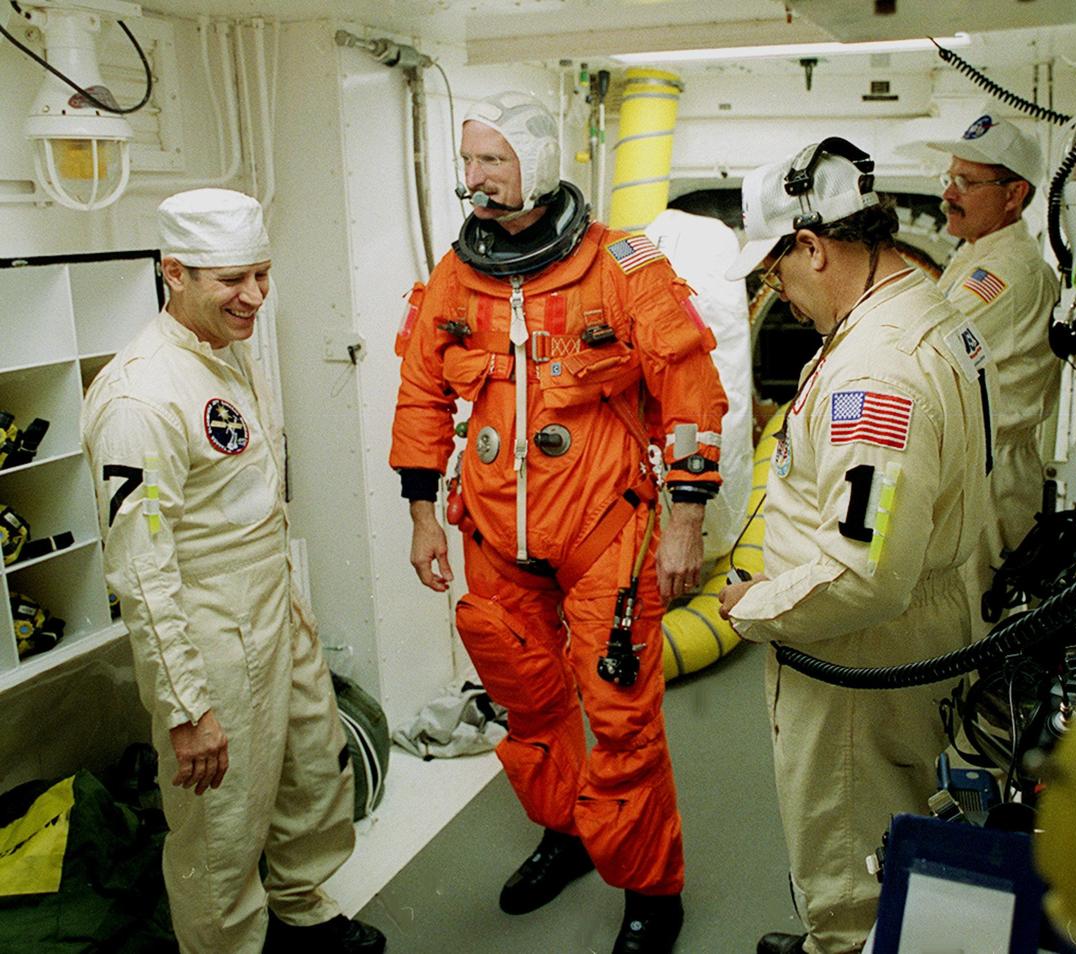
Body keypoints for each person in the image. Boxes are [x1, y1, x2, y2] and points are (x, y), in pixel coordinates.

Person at [390, 91, 727, 954]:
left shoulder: (624, 265)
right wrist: (423, 514)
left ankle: (653, 889)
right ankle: (568, 836)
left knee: (620, 719)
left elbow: (688, 395)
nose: (473, 181)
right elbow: (423, 392)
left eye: (491, 162)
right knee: (527, 702)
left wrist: (686, 524)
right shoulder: (456, 276)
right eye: (467, 163)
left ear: (535, 163)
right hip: (496, 534)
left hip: (603, 530)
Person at [82, 188, 385, 954]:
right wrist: (187, 706)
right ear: (173, 272)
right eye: (231, 281)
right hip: (209, 628)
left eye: (262, 274)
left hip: (271, 601)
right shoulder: (140, 396)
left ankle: (299, 909)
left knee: (311, 776)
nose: (253, 296)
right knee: (221, 825)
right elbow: (143, 572)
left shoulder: (223, 353)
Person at [717, 140, 994, 954]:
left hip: (857, 663)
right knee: (896, 843)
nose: (783, 297)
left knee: (850, 868)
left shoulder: (876, 373)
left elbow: (864, 576)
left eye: (777, 275)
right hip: (917, 636)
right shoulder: (928, 308)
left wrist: (752, 606)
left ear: (812, 246)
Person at [926, 111, 1061, 573]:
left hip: (992, 472)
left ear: (1014, 195)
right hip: (976, 465)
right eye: (949, 178)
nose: (948, 195)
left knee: (974, 625)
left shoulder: (1006, 273)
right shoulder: (976, 252)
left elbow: (928, 344)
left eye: (965, 182)